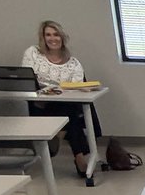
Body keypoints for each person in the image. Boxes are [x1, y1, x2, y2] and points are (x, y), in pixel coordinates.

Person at [21, 20, 104, 177]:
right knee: (70, 116)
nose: (52, 38)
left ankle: (61, 136)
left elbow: (76, 88)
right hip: (37, 104)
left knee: (69, 113)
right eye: (48, 35)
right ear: (43, 38)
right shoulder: (33, 53)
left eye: (56, 34)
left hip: (62, 104)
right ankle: (79, 157)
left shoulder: (73, 64)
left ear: (62, 37)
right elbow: (26, 78)